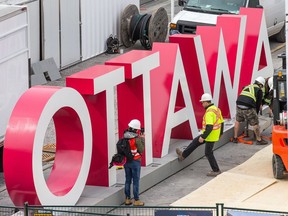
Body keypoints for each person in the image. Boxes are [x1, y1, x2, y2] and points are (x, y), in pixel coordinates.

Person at [176, 93, 224, 177]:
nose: (202, 104)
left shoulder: (209, 112)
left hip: (210, 136)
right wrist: (221, 133)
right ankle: (183, 155)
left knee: (208, 153)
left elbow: (209, 127)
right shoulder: (216, 109)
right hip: (213, 134)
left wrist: (203, 137)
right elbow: (222, 122)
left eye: (202, 102)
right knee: (195, 142)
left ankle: (216, 170)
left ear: (206, 102)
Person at [232, 76, 268, 145]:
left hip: (239, 104)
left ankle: (235, 138)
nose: (261, 87)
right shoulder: (258, 90)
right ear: (260, 84)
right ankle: (259, 140)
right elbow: (258, 104)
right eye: (262, 86)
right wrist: (256, 115)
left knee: (237, 120)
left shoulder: (247, 86)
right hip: (248, 106)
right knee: (255, 123)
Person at [123, 119, 145, 206]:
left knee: (128, 180)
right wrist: (142, 139)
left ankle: (127, 199)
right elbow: (141, 150)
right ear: (136, 129)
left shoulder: (124, 136)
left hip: (126, 161)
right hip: (135, 161)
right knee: (136, 181)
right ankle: (136, 200)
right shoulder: (137, 139)